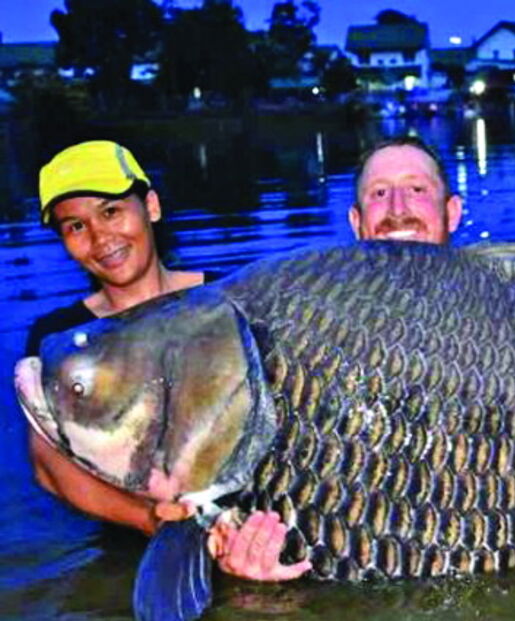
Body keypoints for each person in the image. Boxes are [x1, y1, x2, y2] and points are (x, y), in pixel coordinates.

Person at [24, 140, 309, 582]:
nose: (101, 238)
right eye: (76, 226)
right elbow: (49, 467)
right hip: (135, 547)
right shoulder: (62, 342)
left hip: (261, 530)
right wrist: (152, 519)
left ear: (151, 206)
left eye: (111, 212)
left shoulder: (230, 300)